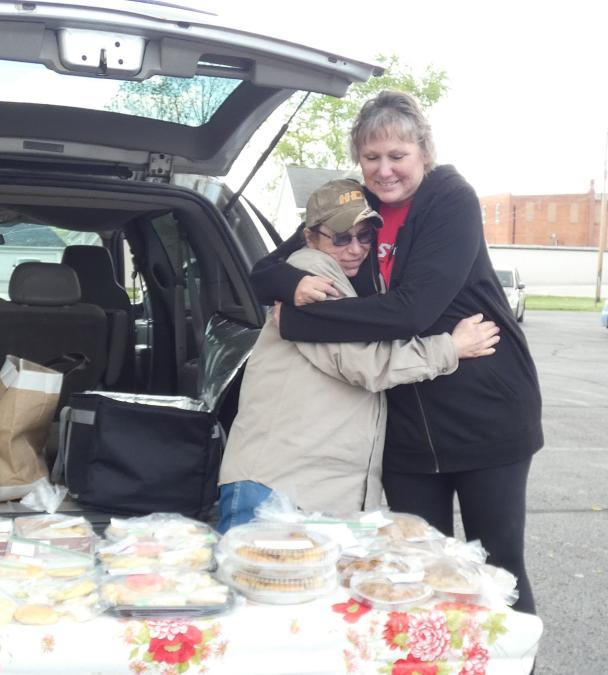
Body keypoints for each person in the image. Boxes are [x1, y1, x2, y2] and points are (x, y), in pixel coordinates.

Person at [251, 91, 543, 614]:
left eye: (397, 156)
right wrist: (291, 281)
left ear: (424, 153)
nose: (384, 171)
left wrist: (298, 319)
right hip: (404, 420)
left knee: (495, 571)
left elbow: (413, 311)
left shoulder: (450, 198)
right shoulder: (354, 206)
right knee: (418, 568)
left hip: (485, 410)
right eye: (371, 157)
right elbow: (264, 270)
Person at [218, 178, 499, 532]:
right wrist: (451, 347)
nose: (355, 248)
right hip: (278, 490)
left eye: (365, 236)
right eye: (340, 237)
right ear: (310, 237)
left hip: (312, 492)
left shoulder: (345, 281)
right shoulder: (312, 275)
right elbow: (366, 364)